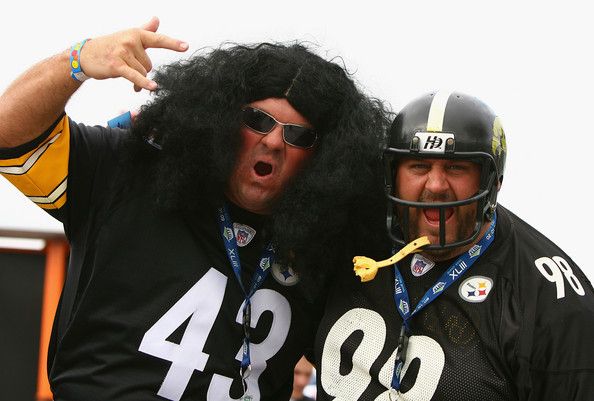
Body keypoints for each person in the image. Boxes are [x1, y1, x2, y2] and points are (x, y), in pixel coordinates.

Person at [0, 17, 389, 400]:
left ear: (325, 158)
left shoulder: (327, 246)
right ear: (220, 117)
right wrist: (77, 61)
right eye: (257, 120)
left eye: (297, 135)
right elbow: (9, 136)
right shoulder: (128, 171)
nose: (272, 142)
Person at [315, 91, 594, 400]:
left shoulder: (547, 297)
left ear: (491, 181)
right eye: (419, 166)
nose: (436, 185)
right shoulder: (346, 237)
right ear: (392, 174)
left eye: (456, 167)